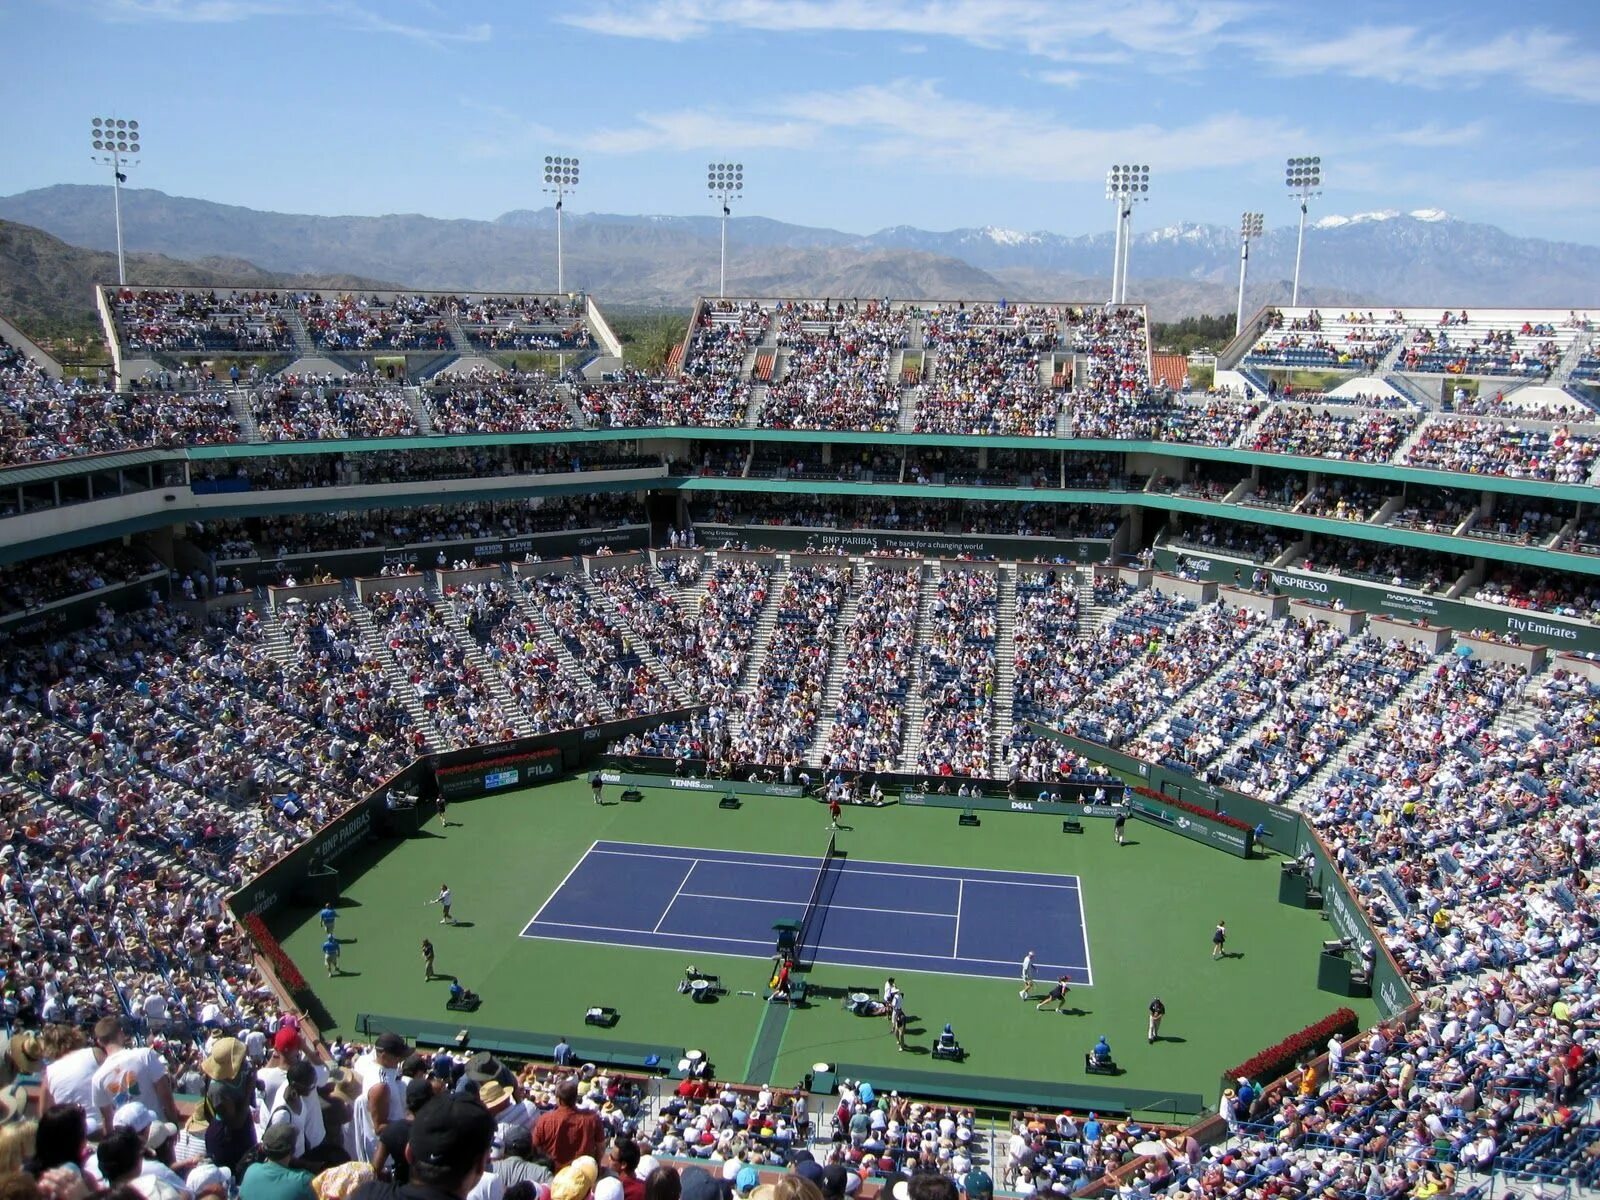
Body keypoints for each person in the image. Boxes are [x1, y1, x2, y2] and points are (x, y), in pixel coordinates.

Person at [531, 1079, 602, 1169]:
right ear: (575, 1098)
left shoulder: (545, 1119)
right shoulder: (592, 1118)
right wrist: (598, 1167)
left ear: (558, 1099)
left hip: (553, 1174)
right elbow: (600, 1148)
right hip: (582, 1175)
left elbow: (534, 1147)